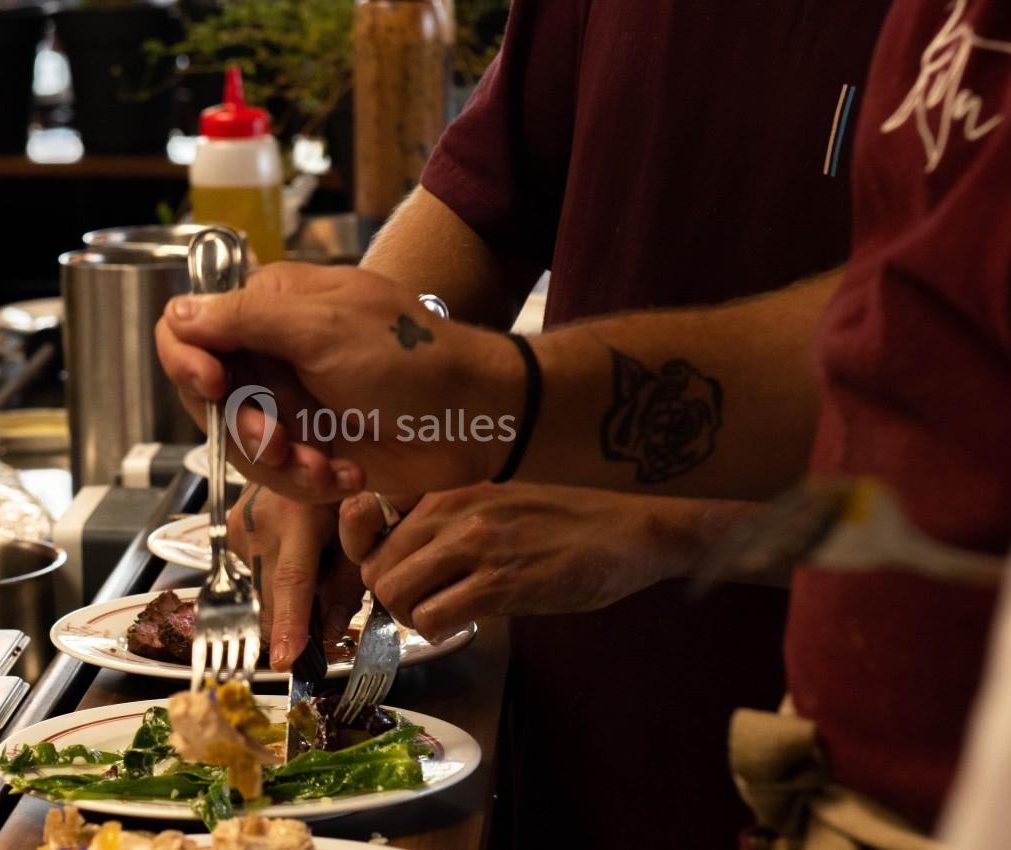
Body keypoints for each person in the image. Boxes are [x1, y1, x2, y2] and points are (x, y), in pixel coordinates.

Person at [160, 0, 1011, 844]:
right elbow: (483, 209)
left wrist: (658, 519)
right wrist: (347, 408)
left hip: (884, 762)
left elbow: (937, 384)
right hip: (570, 733)